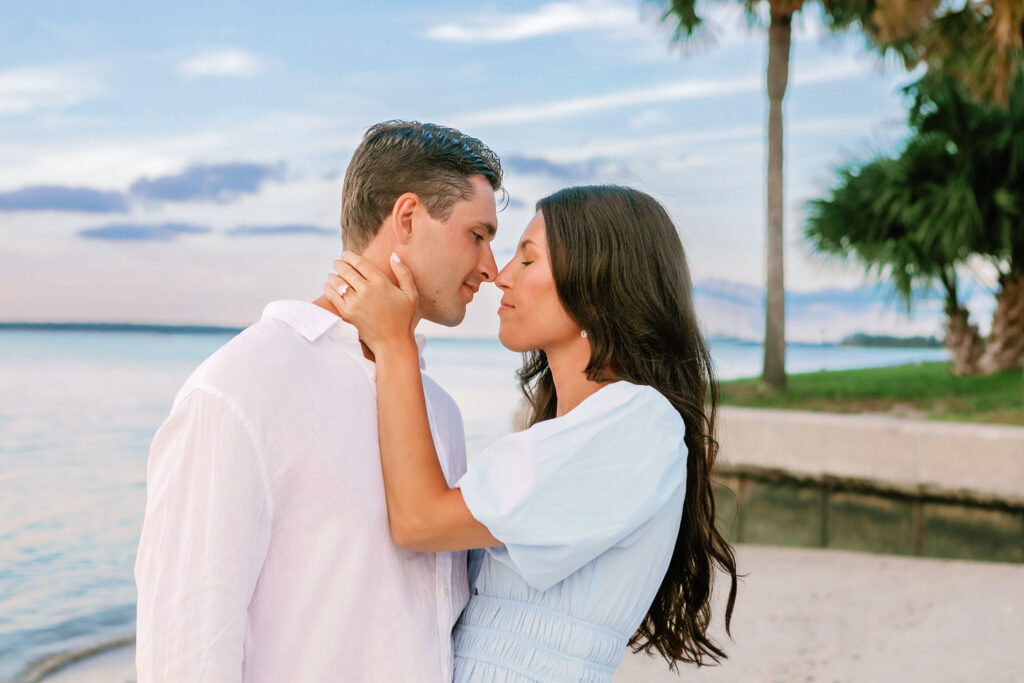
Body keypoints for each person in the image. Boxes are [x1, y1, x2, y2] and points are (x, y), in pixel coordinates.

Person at [134, 120, 503, 682]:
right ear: (407, 219)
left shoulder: (440, 412)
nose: (490, 269)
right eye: (477, 235)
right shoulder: (241, 388)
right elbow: (185, 650)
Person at [324, 184, 739, 681]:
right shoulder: (575, 432)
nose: (499, 276)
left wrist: (395, 345)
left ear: (594, 285)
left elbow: (420, 520)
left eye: (527, 259)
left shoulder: (638, 423)